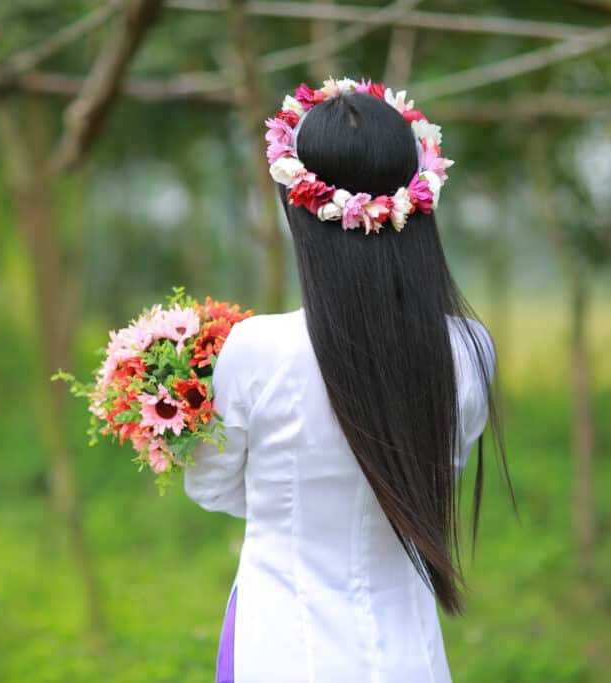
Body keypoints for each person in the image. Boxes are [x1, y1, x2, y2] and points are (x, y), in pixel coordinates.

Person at [185, 77, 510, 683]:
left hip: (281, 651)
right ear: (419, 202)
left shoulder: (256, 350)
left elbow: (211, 487)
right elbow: (438, 471)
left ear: (297, 205)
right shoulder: (470, 350)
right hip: (410, 656)